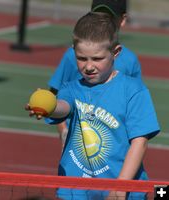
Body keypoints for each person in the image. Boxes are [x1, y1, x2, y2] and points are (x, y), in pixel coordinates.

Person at [26, 12, 160, 200]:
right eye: (81, 58)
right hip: (76, 189)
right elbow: (64, 108)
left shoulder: (133, 90)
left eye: (97, 59)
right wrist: (50, 106)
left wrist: (120, 187)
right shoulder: (72, 88)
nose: (89, 66)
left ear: (116, 53)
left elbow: (140, 142)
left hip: (122, 187)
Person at [48, 0, 142, 147]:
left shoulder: (130, 61)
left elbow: (135, 106)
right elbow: (56, 93)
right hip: (76, 141)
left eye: (109, 17)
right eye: (97, 15)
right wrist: (63, 131)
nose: (102, 22)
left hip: (113, 143)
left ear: (122, 20)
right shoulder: (72, 54)